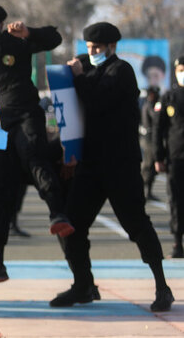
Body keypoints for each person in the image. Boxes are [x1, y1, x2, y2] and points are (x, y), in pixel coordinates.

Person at [52, 21, 174, 312]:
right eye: (89, 48)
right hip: (91, 165)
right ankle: (83, 284)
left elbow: (96, 101)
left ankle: (162, 286)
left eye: (97, 48)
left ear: (112, 47)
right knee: (70, 224)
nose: (92, 53)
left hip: (121, 164)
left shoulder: (122, 71)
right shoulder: (89, 68)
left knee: (136, 224)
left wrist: (79, 76)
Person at [0, 3, 73, 287]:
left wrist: (29, 31)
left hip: (25, 115)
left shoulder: (17, 42)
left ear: (1, 26)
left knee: (34, 158)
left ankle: (57, 211)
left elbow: (54, 39)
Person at [154, 55, 184, 259]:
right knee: (176, 200)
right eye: (181, 69)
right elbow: (159, 129)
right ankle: (177, 241)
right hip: (176, 157)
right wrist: (159, 157)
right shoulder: (169, 97)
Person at [141, 86, 160, 200]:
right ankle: (145, 190)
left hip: (152, 138)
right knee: (148, 165)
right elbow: (155, 117)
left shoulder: (149, 104)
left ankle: (149, 191)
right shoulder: (148, 105)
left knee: (152, 166)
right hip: (148, 139)